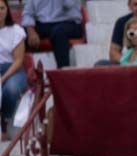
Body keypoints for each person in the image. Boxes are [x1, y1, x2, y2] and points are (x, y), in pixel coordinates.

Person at [23, 0, 84, 69]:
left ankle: (63, 72)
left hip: (69, 22)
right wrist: (31, 31)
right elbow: (28, 13)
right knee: (20, 33)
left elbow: (68, 4)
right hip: (44, 24)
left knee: (58, 32)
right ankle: (21, 71)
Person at [0, 0, 27, 136]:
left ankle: (4, 124)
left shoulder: (16, 30)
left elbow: (18, 61)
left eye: (2, 8)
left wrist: (3, 78)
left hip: (13, 70)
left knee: (10, 89)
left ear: (7, 10)